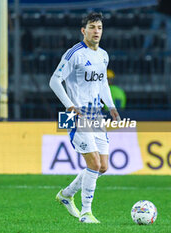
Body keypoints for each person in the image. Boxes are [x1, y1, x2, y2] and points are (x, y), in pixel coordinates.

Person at [49, 12, 120, 223]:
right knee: (93, 164)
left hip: (96, 115)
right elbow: (54, 80)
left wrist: (112, 107)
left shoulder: (103, 55)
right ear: (83, 31)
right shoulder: (74, 54)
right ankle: (86, 213)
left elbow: (103, 84)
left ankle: (66, 194)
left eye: (99, 27)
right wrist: (69, 106)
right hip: (76, 115)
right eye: (92, 27)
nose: (96, 31)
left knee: (103, 167)